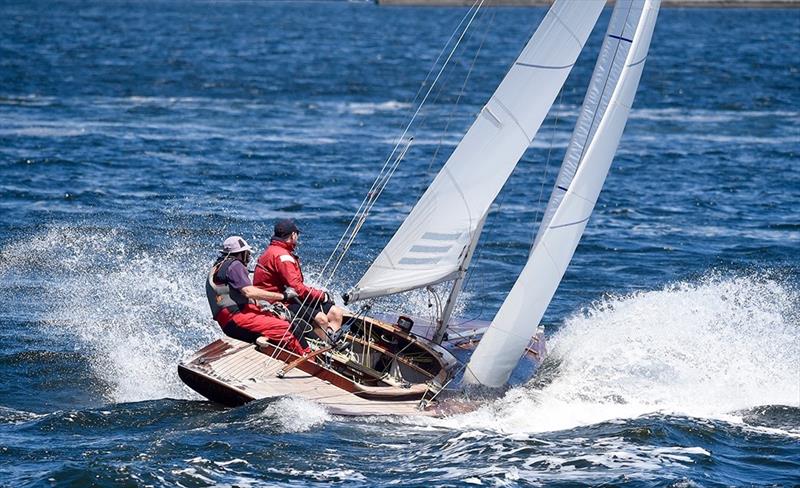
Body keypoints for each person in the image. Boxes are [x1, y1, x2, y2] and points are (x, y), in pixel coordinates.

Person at [206, 235, 309, 355]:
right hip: (236, 318)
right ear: (241, 253)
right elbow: (248, 291)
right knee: (290, 328)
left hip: (228, 322)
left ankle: (263, 338)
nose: (249, 257)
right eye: (247, 253)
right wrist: (283, 296)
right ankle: (309, 358)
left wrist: (260, 303)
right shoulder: (235, 265)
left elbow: (238, 295)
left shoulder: (219, 267)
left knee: (277, 318)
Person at [253, 219, 344, 343]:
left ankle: (329, 343)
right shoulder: (282, 257)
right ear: (293, 235)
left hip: (289, 298)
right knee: (321, 319)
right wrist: (323, 296)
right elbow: (297, 289)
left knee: (336, 313)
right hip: (277, 303)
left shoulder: (277, 251)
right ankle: (322, 351)